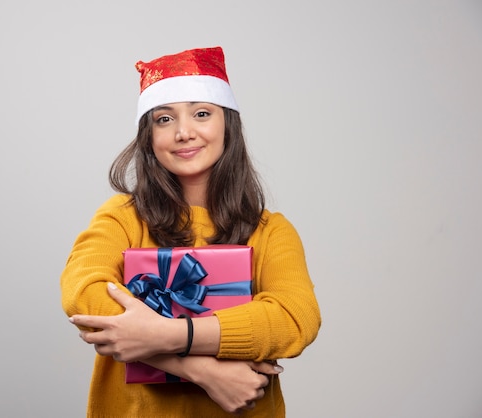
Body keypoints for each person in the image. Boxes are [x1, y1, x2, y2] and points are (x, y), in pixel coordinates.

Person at [61, 46, 321, 417]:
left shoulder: (271, 231)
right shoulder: (122, 217)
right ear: (148, 137)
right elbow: (83, 293)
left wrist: (164, 336)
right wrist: (202, 369)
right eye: (164, 120)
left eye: (202, 113)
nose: (184, 132)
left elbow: (294, 319)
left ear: (227, 124)